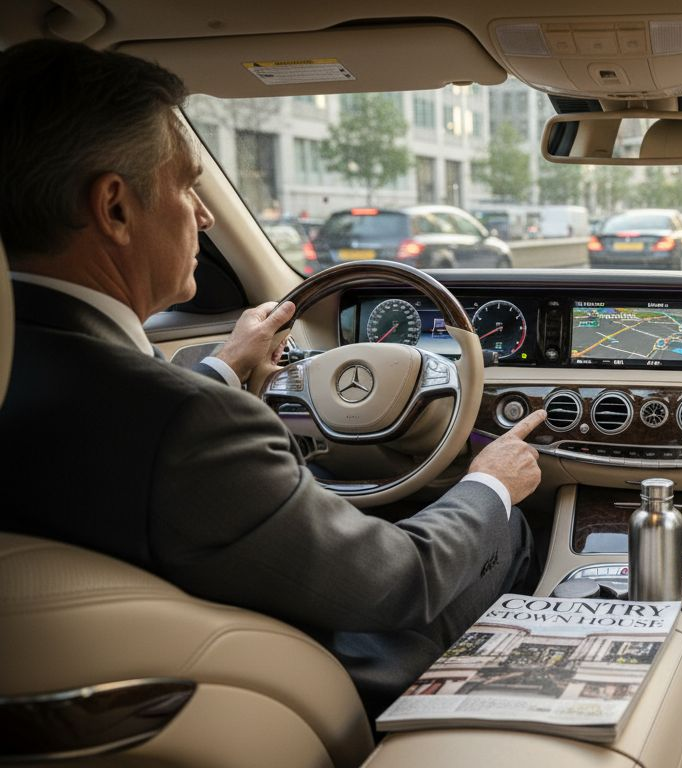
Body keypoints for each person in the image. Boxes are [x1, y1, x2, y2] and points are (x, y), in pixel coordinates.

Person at [0, 39, 543, 717]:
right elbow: (401, 580)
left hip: (119, 671)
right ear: (114, 208)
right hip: (285, 688)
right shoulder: (188, 426)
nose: (203, 215)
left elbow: (134, 442)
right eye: (188, 186)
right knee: (505, 530)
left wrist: (225, 367)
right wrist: (491, 482)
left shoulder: (35, 371)